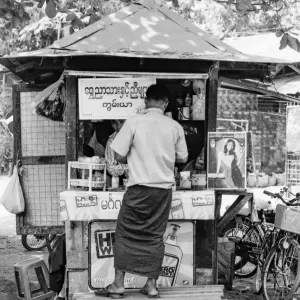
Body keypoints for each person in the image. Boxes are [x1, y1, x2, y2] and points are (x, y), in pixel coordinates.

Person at [95, 83, 188, 298]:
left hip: (137, 190)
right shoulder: (175, 126)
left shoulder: (133, 122)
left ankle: (118, 285)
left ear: (145, 101)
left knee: (125, 234)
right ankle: (151, 285)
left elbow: (117, 156)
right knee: (154, 237)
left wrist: (136, 150)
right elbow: (182, 157)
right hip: (162, 192)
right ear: (165, 103)